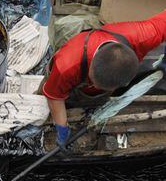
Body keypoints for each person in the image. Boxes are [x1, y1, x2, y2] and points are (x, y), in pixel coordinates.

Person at [40, 10, 166, 149]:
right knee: (48, 97)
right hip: (72, 67)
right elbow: (54, 97)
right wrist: (62, 129)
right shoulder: (65, 66)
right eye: (94, 83)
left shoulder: (145, 36)